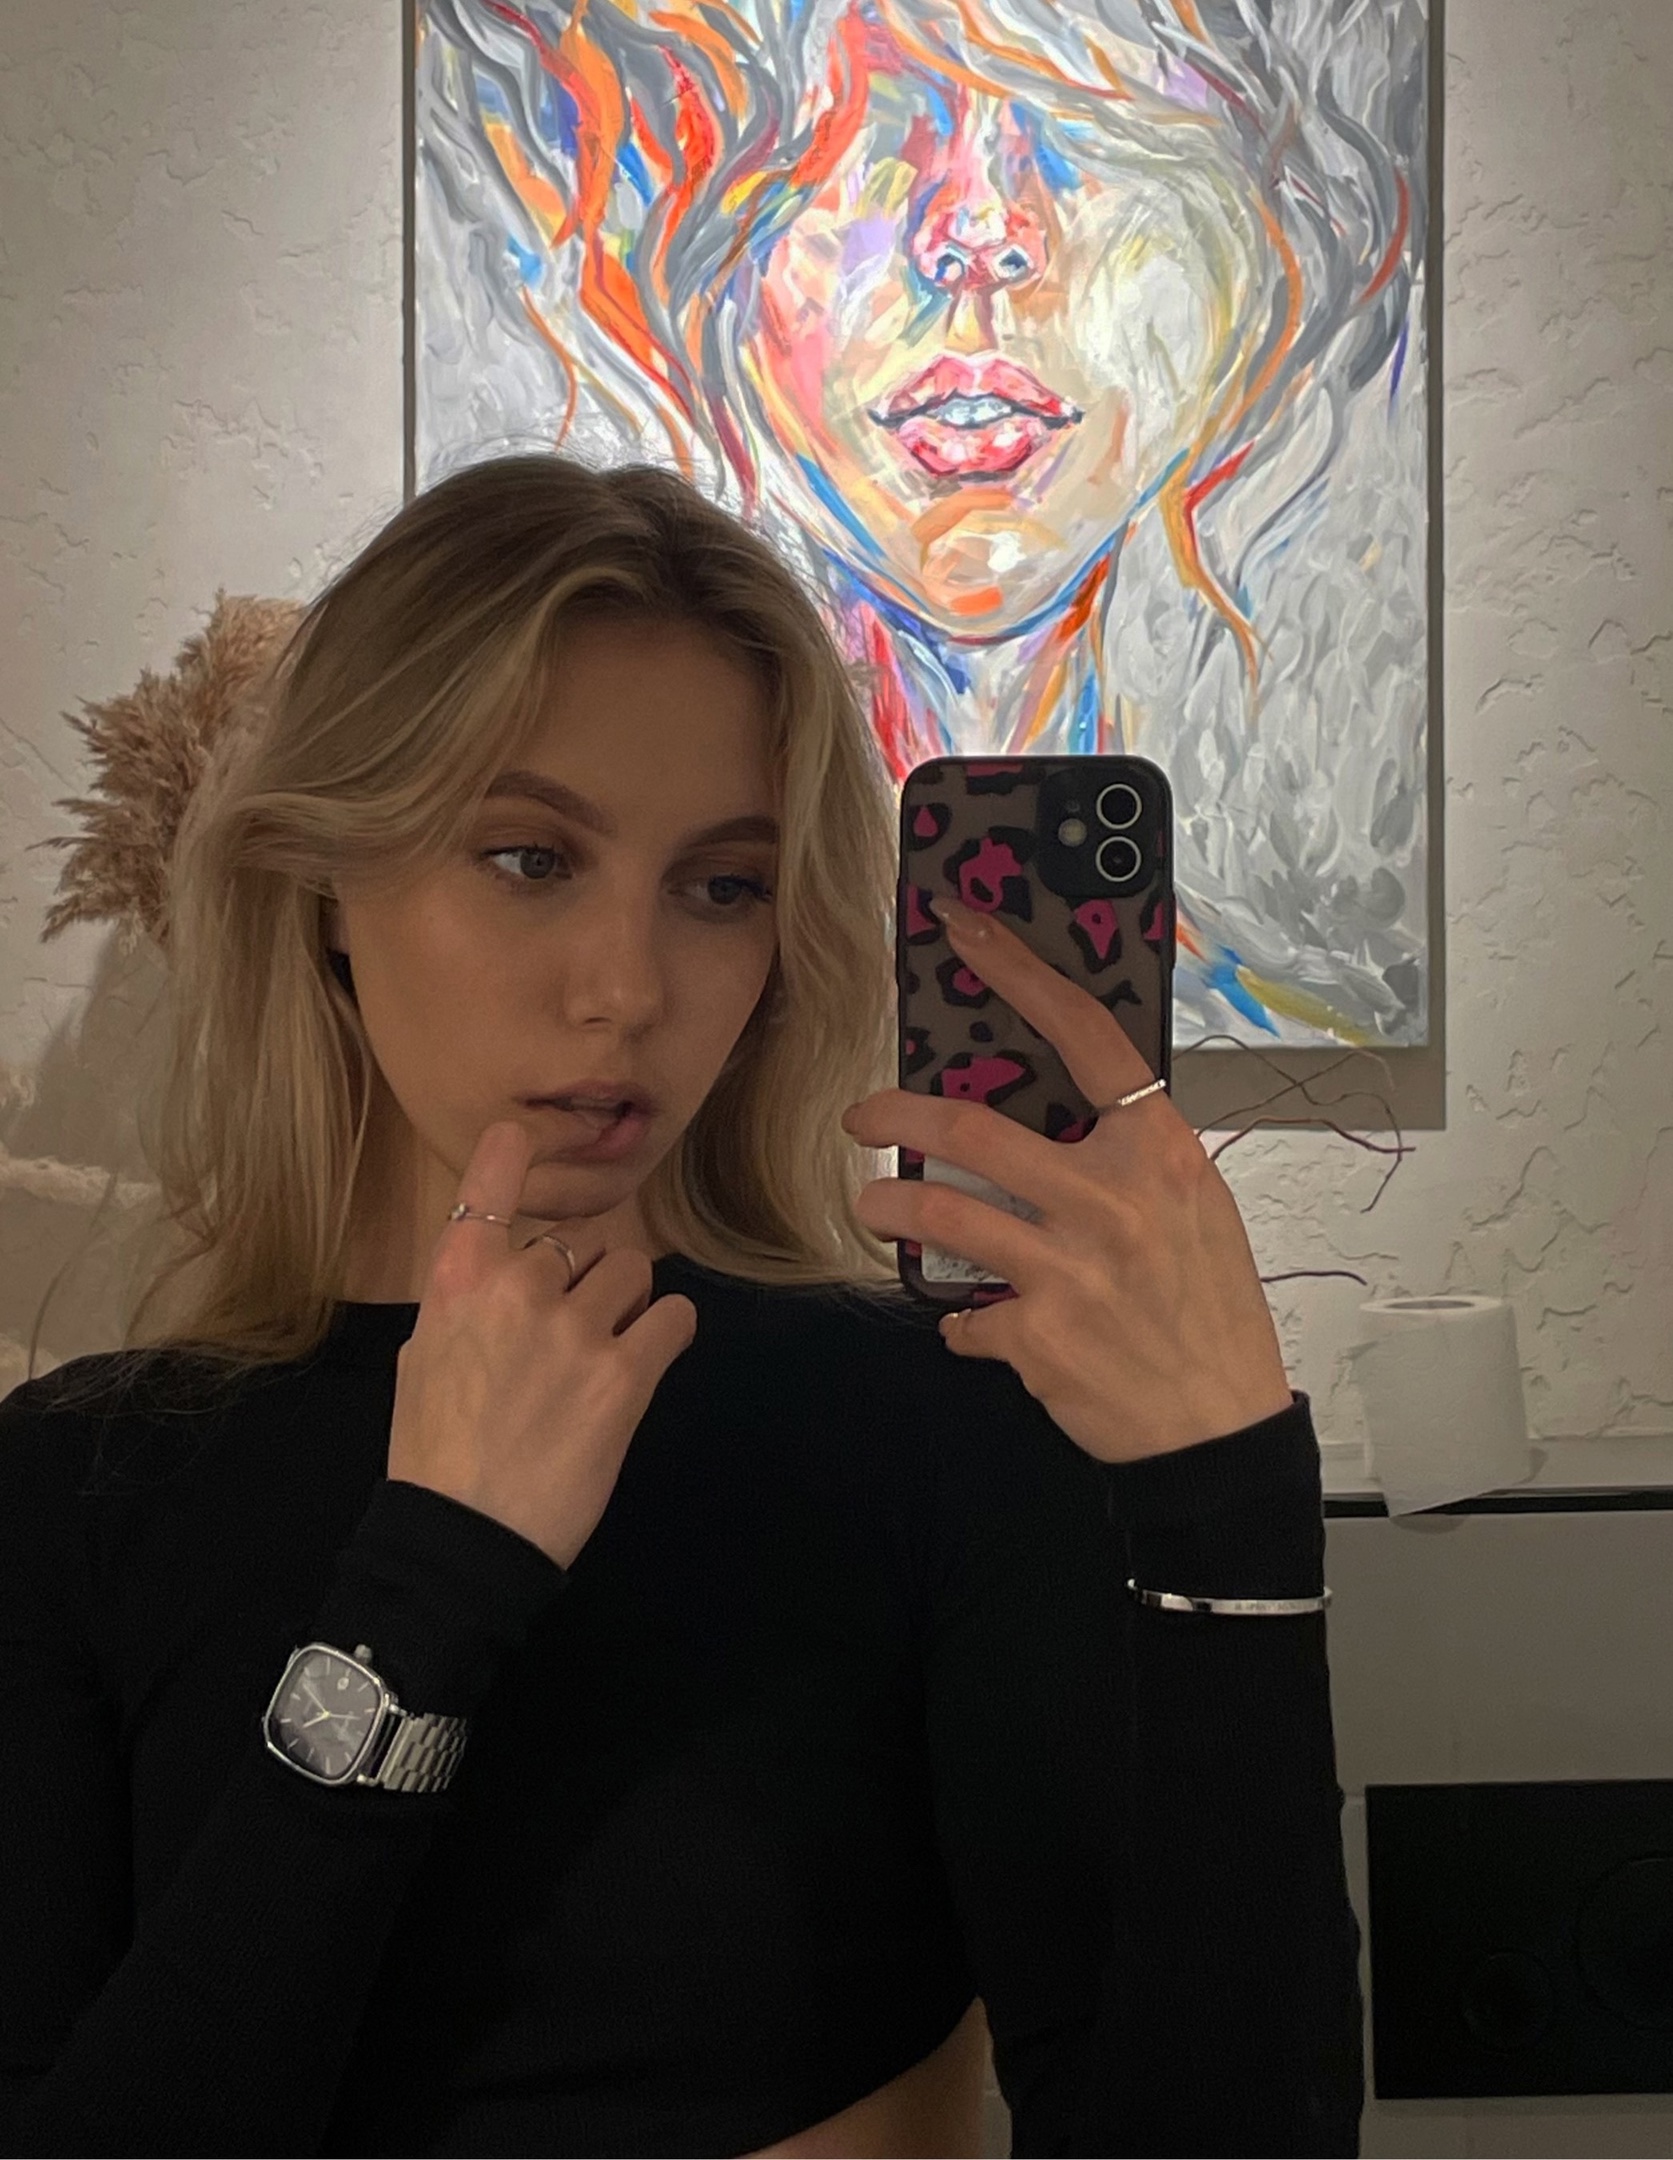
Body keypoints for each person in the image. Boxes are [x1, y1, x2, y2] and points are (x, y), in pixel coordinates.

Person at [0, 453, 1363, 2158]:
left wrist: (1224, 1490)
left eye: (720, 887)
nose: (627, 989)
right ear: (326, 882)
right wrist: (431, 1584)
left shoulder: (934, 1423)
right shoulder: (75, 1483)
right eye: (528, 857)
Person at [419, 0, 1429, 1046]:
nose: (977, 238)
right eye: (868, 126)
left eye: (1084, 129)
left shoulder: (1288, 981)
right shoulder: (665, 1020)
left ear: (1255, 256)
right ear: (707, 261)